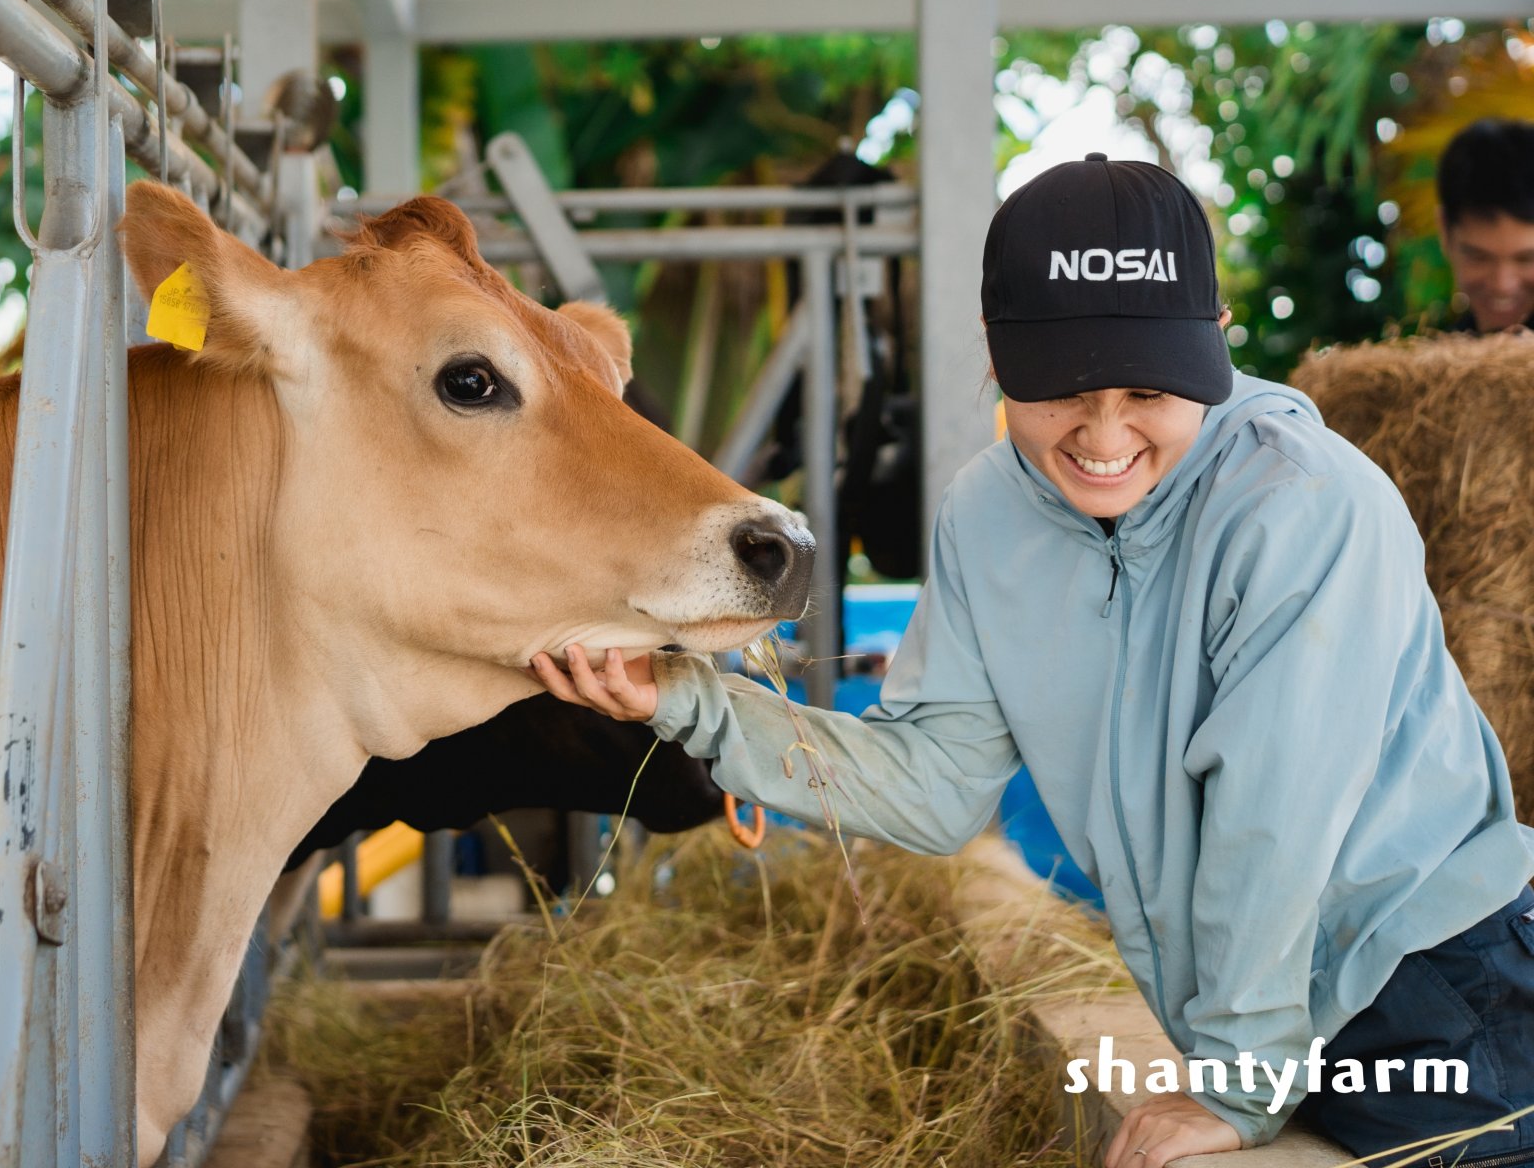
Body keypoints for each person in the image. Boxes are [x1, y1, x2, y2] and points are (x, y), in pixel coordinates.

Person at [531, 153, 1534, 1168]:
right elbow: (935, 782)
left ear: (1216, 348)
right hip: (1264, 1013)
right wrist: (695, 704)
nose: (1103, 436)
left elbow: (1272, 809)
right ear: (997, 356)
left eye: (1148, 388)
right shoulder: (986, 512)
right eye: (1058, 390)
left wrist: (1236, 1078)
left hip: (1438, 986)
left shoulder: (1305, 505)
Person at [1436, 117, 1534, 333]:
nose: (1503, 285)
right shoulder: (1441, 357)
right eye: (1479, 257)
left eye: (1527, 259)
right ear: (1445, 231)